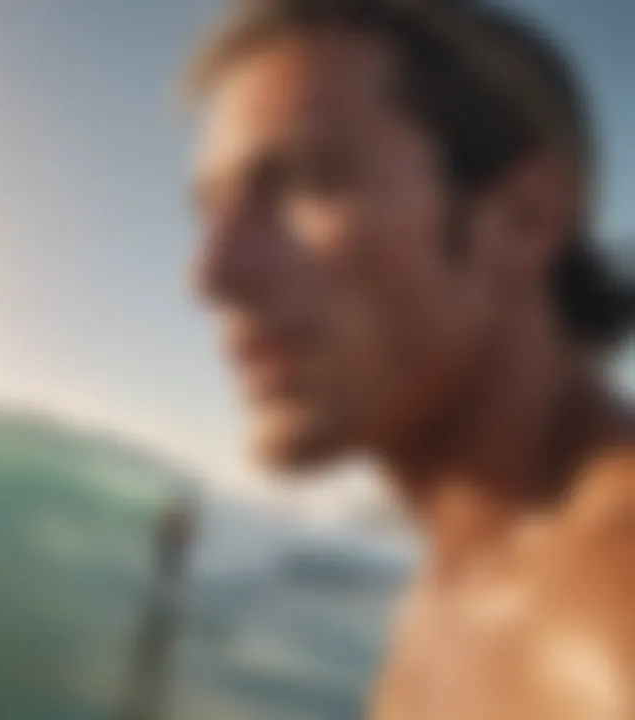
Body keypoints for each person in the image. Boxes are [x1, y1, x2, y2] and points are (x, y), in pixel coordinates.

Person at [186, 1, 635, 717]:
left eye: (306, 182)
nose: (210, 274)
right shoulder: (469, 567)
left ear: (523, 220)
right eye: (211, 212)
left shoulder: (606, 626)